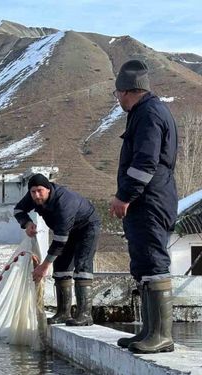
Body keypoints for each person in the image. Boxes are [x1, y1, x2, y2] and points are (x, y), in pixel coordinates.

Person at [109, 60, 178, 354]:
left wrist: (124, 196)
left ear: (126, 91)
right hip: (147, 201)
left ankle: (161, 335)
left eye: (118, 94)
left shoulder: (148, 114)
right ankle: (150, 332)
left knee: (153, 261)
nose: (118, 100)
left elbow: (145, 162)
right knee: (143, 263)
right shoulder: (148, 111)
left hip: (149, 201)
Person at [14, 174, 100, 326]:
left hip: (87, 227)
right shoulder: (33, 196)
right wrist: (27, 223)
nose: (36, 195)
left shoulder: (64, 202)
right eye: (33, 192)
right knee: (61, 269)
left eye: (40, 191)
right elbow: (18, 210)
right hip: (66, 232)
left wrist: (44, 266)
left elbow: (60, 241)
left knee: (82, 267)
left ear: (48, 189)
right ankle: (63, 313)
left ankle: (85, 314)